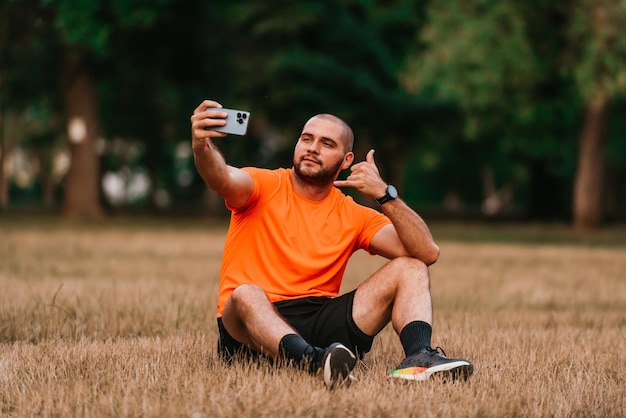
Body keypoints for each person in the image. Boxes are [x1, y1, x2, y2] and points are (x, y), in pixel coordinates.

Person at [191, 99, 473, 387]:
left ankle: (419, 359)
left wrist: (385, 195)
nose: (312, 148)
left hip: (319, 319)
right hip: (250, 330)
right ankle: (314, 361)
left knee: (410, 267)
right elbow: (221, 177)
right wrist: (202, 146)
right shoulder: (262, 184)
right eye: (306, 139)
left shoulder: (352, 213)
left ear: (347, 160)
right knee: (245, 294)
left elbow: (426, 253)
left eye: (327, 143)